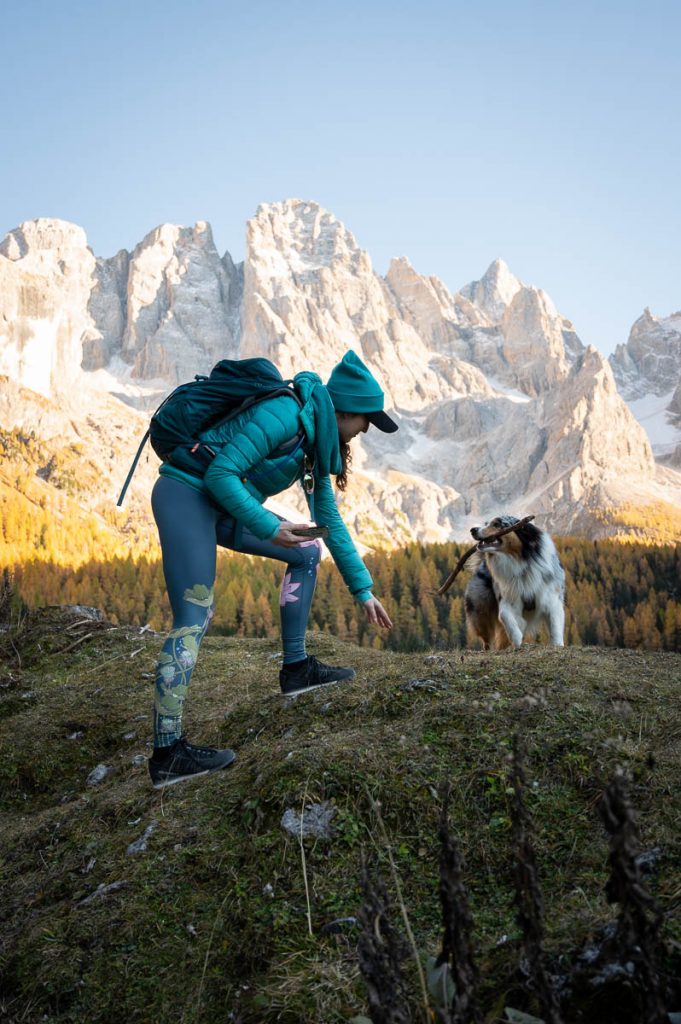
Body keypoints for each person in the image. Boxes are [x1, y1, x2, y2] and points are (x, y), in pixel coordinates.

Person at [147, 349, 397, 788]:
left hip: (222, 506)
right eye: (365, 421)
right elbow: (221, 474)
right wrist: (269, 526)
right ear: (345, 411)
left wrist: (363, 590)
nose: (364, 431)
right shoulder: (286, 414)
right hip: (186, 494)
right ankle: (167, 752)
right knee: (195, 614)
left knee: (305, 552)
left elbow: (329, 522)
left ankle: (296, 670)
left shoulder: (316, 441)